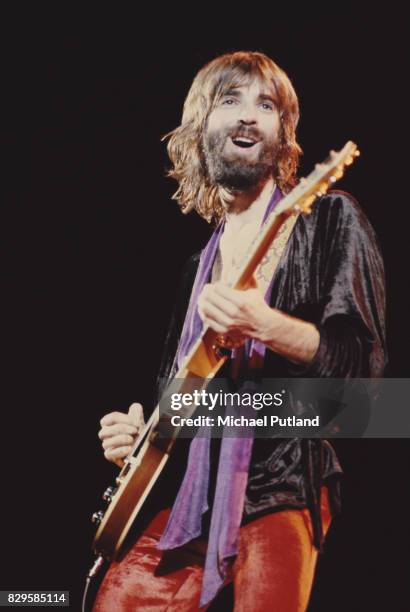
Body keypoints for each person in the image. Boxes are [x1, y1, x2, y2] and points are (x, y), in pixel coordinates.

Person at [93, 51, 387, 611]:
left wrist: (267, 326)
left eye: (267, 104)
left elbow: (368, 392)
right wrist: (141, 440)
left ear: (284, 133)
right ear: (202, 126)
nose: (249, 115)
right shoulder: (194, 269)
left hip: (280, 486)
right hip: (187, 495)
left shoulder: (328, 219)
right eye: (231, 100)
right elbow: (182, 402)